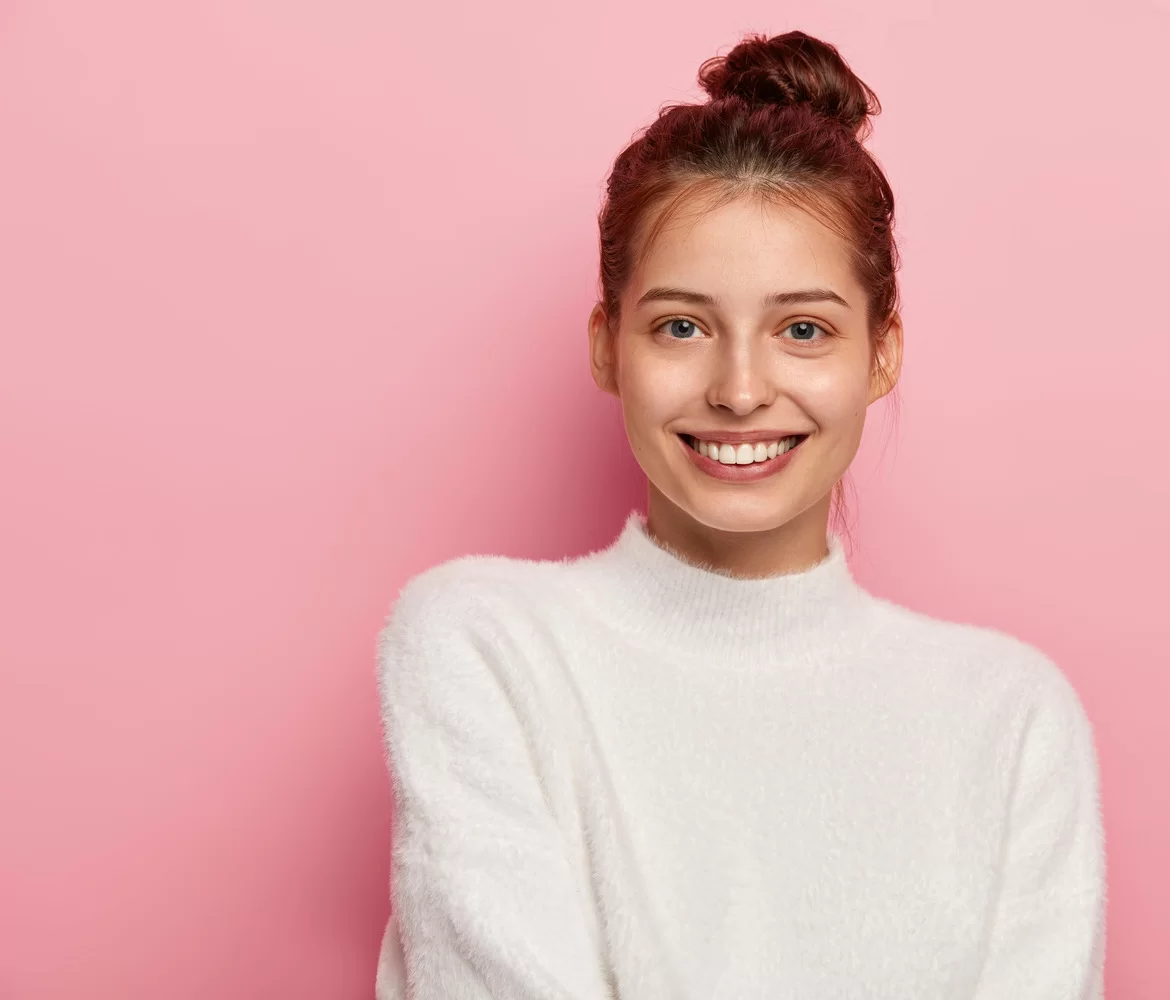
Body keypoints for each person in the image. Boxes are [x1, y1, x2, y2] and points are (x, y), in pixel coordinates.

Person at [373, 29, 1106, 1000]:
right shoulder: (487, 648)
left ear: (882, 353)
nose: (741, 389)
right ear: (608, 345)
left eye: (804, 329)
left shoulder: (1010, 718)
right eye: (681, 326)